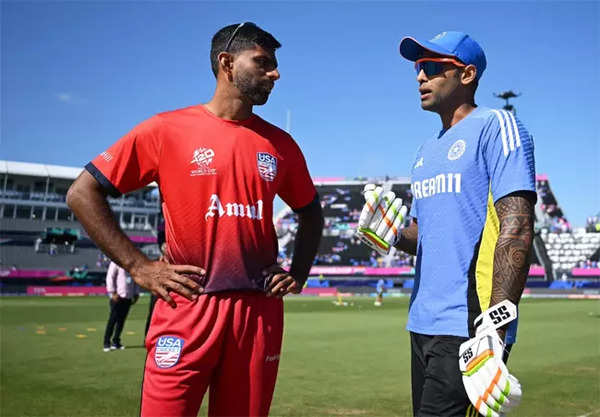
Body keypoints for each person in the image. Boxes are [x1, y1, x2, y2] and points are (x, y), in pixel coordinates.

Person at [67, 22, 323, 417]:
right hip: (186, 305)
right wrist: (138, 267)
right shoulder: (166, 130)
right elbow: (82, 192)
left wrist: (299, 273)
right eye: (263, 63)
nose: (275, 73)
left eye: (274, 65)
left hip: (257, 313)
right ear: (226, 63)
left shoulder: (281, 145)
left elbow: (310, 210)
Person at [363, 31, 536, 416]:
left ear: (468, 74)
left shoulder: (498, 126)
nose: (420, 76)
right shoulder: (425, 152)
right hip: (422, 322)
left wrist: (495, 327)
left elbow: (517, 227)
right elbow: (428, 234)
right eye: (418, 67)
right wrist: (389, 233)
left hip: (469, 326)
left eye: (432, 66)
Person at [103, 260, 139, 351]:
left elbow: (135, 279)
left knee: (121, 321)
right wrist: (112, 292)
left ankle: (116, 342)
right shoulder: (116, 262)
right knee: (113, 320)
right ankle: (106, 342)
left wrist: (136, 293)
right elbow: (110, 277)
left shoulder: (132, 264)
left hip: (128, 296)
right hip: (117, 296)